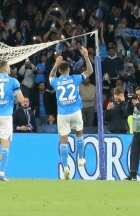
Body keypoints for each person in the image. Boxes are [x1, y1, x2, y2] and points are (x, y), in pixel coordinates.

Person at [50, 46, 93, 180]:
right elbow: (90, 71)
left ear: (59, 71)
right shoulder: (75, 79)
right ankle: (80, 158)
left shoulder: (56, 81)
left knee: (63, 140)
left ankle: (66, 167)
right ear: (69, 70)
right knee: (79, 134)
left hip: (62, 114)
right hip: (75, 111)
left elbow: (50, 76)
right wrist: (86, 56)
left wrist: (55, 65)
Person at [125, 86, 140, 181]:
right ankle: (133, 174)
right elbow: (128, 113)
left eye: (139, 95)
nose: (137, 97)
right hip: (136, 133)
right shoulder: (135, 104)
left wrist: (138, 105)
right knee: (133, 155)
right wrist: (130, 103)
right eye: (136, 94)